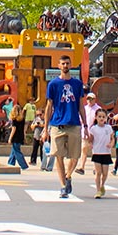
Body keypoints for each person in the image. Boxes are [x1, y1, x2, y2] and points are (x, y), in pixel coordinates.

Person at [43, 54, 86, 199]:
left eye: (67, 63)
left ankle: (68, 177)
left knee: (74, 157)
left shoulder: (77, 84)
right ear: (58, 66)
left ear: (71, 65)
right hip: (57, 124)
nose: (65, 66)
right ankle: (62, 186)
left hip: (74, 123)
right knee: (58, 156)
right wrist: (45, 128)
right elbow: (49, 106)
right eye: (63, 63)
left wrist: (85, 124)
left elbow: (81, 105)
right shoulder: (53, 84)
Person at [87, 108, 114, 198]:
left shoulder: (108, 128)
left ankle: (102, 185)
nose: (101, 118)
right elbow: (90, 139)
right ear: (96, 117)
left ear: (106, 118)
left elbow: (112, 138)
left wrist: (111, 144)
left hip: (106, 153)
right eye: (99, 117)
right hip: (97, 152)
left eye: (103, 117)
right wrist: (90, 144)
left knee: (105, 173)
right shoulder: (93, 129)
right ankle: (98, 190)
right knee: (98, 172)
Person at [77, 92, 101, 175]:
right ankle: (81, 167)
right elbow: (80, 119)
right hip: (85, 132)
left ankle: (96, 168)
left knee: (95, 151)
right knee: (84, 150)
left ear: (95, 100)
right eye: (88, 99)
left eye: (91, 99)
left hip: (95, 133)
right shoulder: (84, 108)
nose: (90, 101)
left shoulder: (98, 109)